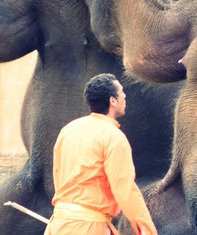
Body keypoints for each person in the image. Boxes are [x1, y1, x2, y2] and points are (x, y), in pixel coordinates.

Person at [44, 73, 158, 235]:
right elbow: (125, 190)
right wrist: (146, 229)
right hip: (89, 228)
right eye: (122, 92)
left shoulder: (68, 130)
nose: (125, 96)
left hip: (58, 225)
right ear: (113, 101)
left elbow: (58, 176)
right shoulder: (114, 137)